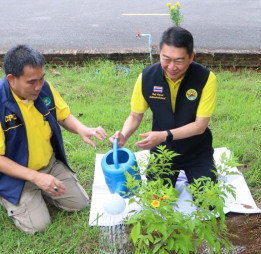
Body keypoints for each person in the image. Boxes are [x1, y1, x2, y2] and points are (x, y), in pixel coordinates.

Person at [0, 45, 107, 234]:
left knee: (80, 203)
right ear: (11, 79)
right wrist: (36, 178)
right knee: (38, 226)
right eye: (32, 82)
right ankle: (10, 195)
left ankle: (43, 189)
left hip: (48, 165)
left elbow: (63, 116)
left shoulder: (44, 88)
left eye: (42, 78)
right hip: (16, 175)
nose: (39, 86)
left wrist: (82, 129)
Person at [110, 26, 217, 188]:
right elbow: (135, 116)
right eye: (166, 59)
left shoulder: (206, 78)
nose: (172, 67)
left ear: (191, 57)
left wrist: (163, 135)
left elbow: (200, 126)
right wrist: (124, 135)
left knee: (207, 201)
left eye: (179, 60)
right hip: (163, 152)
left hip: (197, 150)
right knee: (157, 199)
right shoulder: (147, 77)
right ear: (159, 54)